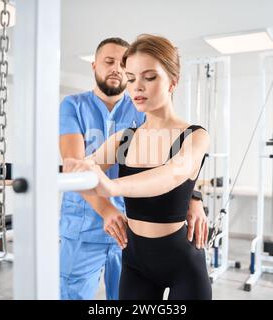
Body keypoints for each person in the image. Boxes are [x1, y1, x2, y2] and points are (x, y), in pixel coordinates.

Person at [58, 37, 208, 300]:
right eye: (132, 77)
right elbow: (81, 173)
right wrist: (9, 172)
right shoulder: (123, 138)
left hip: (181, 264)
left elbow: (173, 173)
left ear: (173, 81)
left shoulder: (194, 135)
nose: (137, 86)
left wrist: (112, 186)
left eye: (149, 77)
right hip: (134, 260)